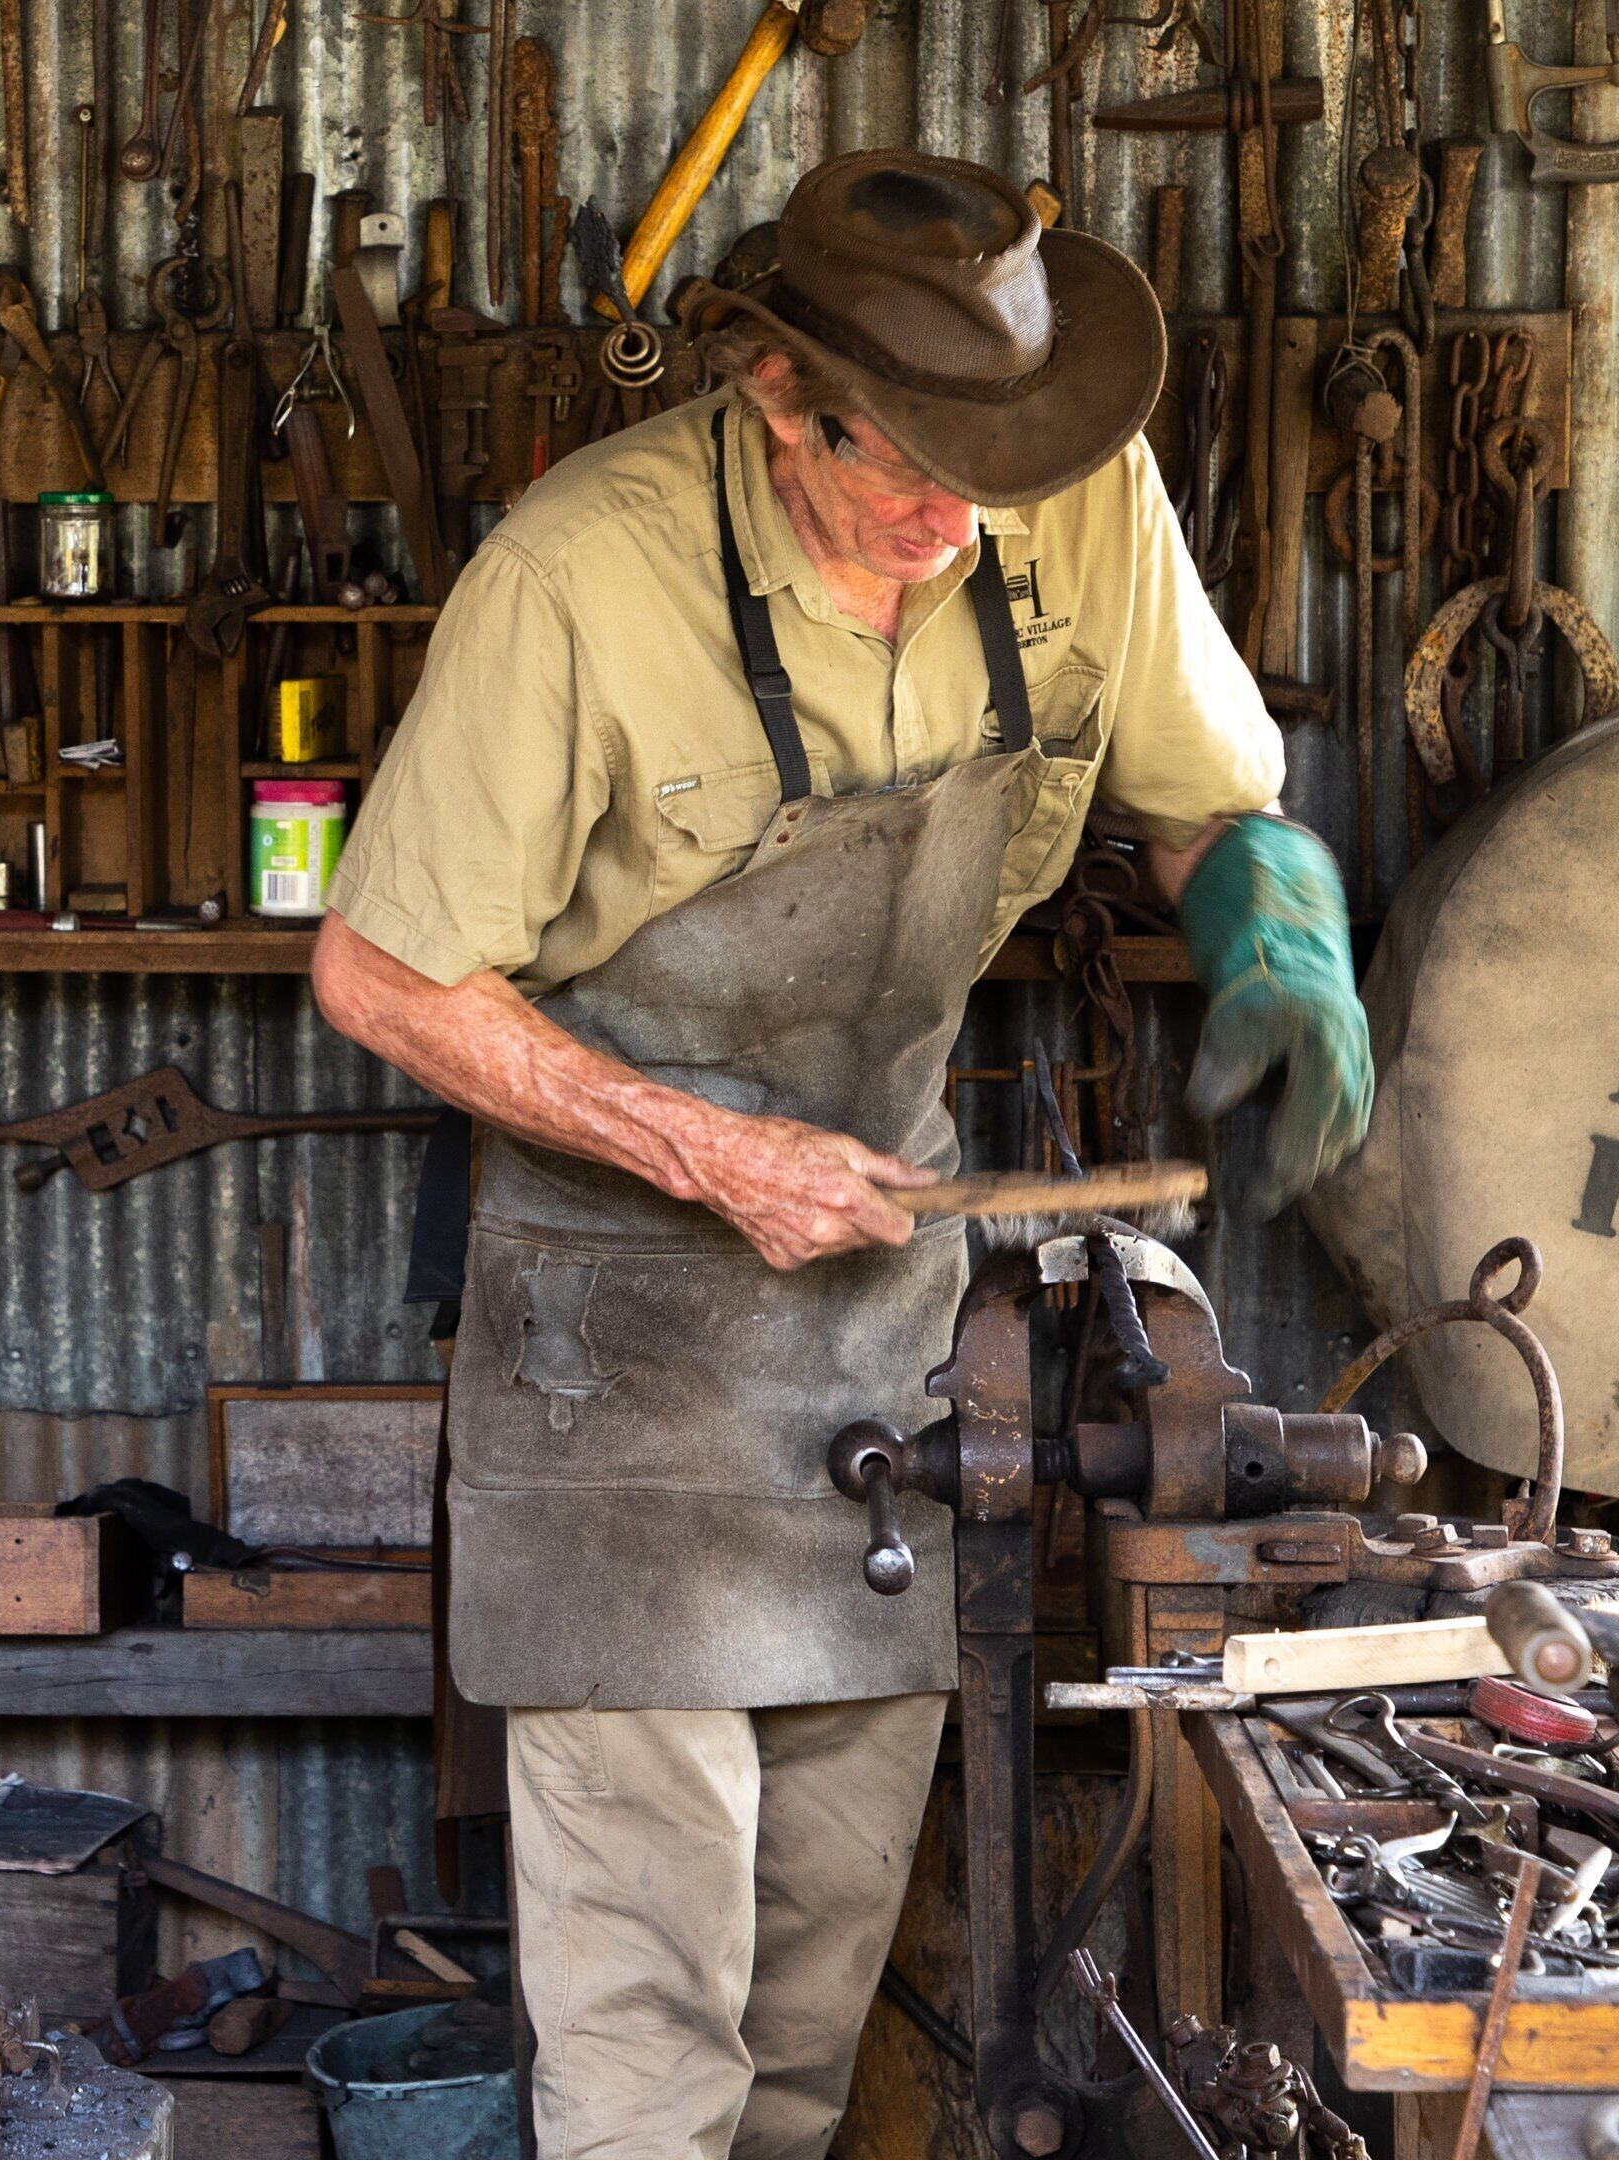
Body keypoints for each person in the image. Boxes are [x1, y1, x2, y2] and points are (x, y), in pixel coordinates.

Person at [309, 151, 1371, 2160]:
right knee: (652, 2060)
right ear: (779, 395)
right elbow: (379, 971)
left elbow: (1204, 798)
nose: (955, 521)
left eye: (1000, 464)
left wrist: (1278, 924)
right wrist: (705, 1152)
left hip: (878, 1335)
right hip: (609, 1345)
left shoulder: (1075, 503)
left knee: (805, 2030)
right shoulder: (575, 578)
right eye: (906, 463)